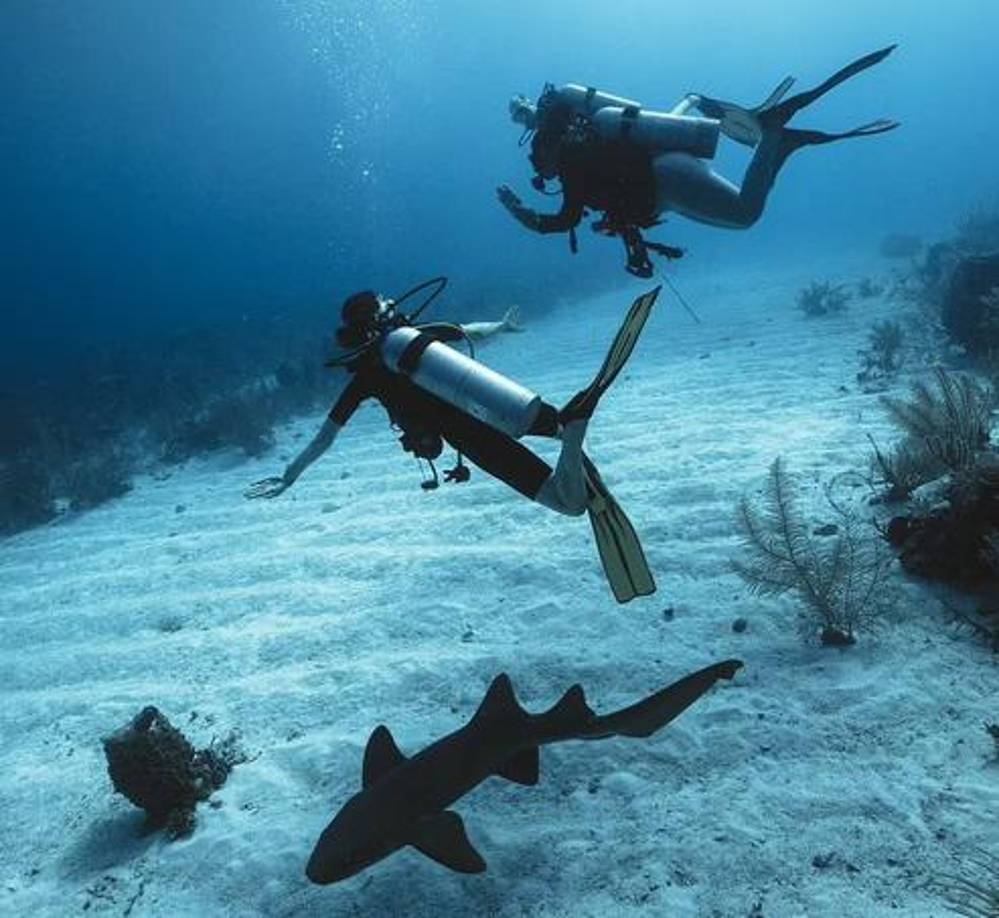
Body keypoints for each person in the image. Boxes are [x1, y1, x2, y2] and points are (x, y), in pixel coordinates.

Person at [245, 280, 659, 603]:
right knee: (560, 429)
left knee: (567, 503)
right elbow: (468, 332)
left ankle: (574, 438)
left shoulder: (368, 375)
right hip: (500, 403)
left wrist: (289, 475)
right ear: (379, 314)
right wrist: (503, 326)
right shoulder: (414, 339)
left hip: (472, 437)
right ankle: (572, 434)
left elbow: (326, 437)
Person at [498, 45, 899, 277]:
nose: (545, 175)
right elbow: (634, 130)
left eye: (541, 167)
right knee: (741, 218)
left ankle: (776, 136)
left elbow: (566, 218)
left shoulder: (571, 160)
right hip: (668, 174)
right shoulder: (588, 142)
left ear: (546, 150)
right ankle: (766, 135)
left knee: (745, 214)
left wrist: (525, 216)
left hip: (666, 179)